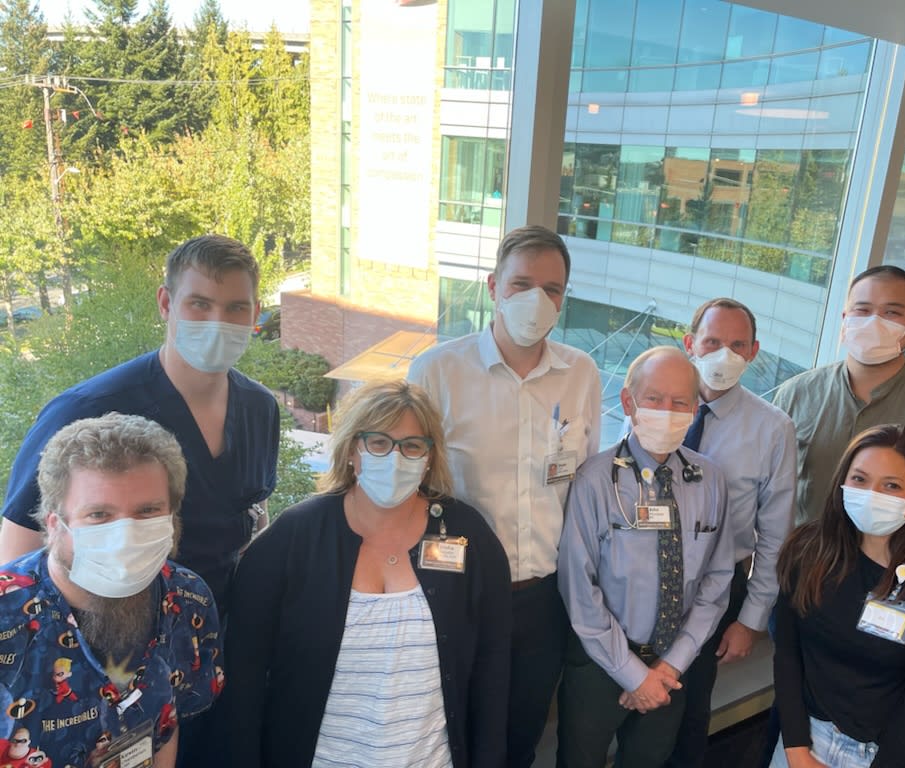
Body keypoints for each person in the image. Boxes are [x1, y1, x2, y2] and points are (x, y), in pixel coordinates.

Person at [221, 379, 512, 768]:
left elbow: (492, 668)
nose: (395, 458)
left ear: (429, 457)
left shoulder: (468, 535)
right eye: (378, 442)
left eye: (411, 446)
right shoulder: (292, 539)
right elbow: (245, 676)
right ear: (352, 451)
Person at [0, 233, 280, 610]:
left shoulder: (260, 409)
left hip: (217, 636)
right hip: (102, 642)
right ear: (166, 303)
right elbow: (17, 558)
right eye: (200, 304)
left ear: (255, 312)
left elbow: (255, 513)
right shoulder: (85, 410)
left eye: (235, 308)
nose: (218, 323)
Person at [408, 224, 602, 767]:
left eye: (552, 289)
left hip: (543, 597)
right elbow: (411, 485)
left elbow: (586, 485)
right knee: (450, 731)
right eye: (521, 284)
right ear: (493, 287)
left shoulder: (581, 374)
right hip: (456, 588)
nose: (537, 300)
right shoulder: (437, 371)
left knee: (520, 736)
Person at [0, 413, 222, 768]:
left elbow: (167, 723)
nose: (126, 536)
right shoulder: (7, 616)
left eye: (148, 511)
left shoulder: (188, 599)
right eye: (100, 515)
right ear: (55, 524)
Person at [556, 346, 733, 768]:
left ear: (695, 408)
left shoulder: (710, 481)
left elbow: (717, 581)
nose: (666, 411)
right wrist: (633, 675)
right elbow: (579, 589)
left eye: (679, 402)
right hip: (600, 662)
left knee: (649, 761)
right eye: (654, 399)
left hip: (674, 663)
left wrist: (670, 666)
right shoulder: (595, 481)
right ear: (628, 402)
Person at [772, 424, 905, 768]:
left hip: (889, 752)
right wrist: (796, 749)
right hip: (805, 736)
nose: (871, 494)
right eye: (859, 479)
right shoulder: (808, 549)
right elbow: (787, 654)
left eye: (891, 485)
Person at [772, 265, 905, 553]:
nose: (873, 322)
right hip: (799, 567)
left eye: (891, 313)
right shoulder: (796, 394)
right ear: (845, 319)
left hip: (891, 579)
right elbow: (770, 493)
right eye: (862, 310)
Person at [668, 298, 797, 768]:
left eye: (737, 345)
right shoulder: (652, 402)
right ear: (690, 344)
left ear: (754, 351)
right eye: (713, 342)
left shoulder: (773, 429)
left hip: (717, 583)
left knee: (689, 707)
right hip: (636, 575)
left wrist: (751, 620)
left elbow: (776, 533)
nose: (725, 354)